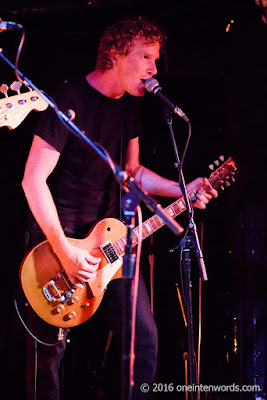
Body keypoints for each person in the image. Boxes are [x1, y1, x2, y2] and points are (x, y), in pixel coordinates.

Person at [22, 16, 217, 400]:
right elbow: (32, 180)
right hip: (56, 249)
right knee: (47, 360)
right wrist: (65, 250)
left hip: (109, 248)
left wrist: (183, 188)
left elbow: (131, 172)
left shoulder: (130, 109)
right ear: (115, 54)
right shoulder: (67, 101)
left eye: (156, 61)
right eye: (146, 57)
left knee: (142, 344)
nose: (153, 69)